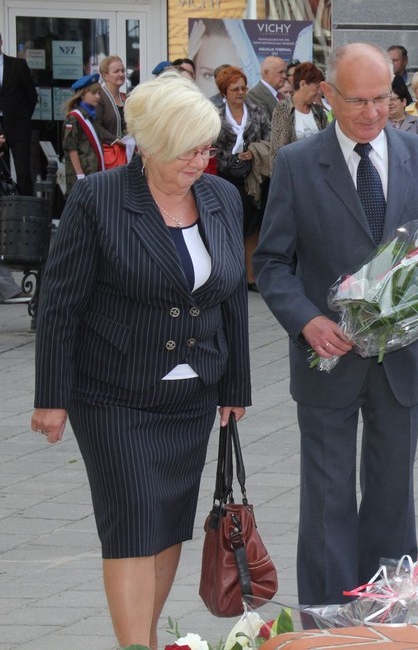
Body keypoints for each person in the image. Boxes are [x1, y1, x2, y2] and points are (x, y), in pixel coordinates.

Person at [31, 74, 250, 649]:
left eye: (206, 149)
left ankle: (145, 639)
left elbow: (231, 298)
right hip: (114, 393)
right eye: (188, 151)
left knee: (169, 522)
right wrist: (51, 397)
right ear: (151, 144)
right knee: (132, 524)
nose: (200, 162)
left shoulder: (221, 197)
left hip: (192, 394)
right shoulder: (98, 198)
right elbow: (60, 303)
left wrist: (236, 387)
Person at [252, 43, 418, 605]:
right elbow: (271, 263)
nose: (372, 112)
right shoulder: (297, 164)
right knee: (327, 499)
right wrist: (306, 321)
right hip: (327, 358)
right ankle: (326, 623)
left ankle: (386, 614)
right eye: (358, 100)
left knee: (393, 498)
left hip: (401, 360)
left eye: (382, 98)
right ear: (328, 95)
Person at [212, 66, 272, 292]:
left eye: (243, 88)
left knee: (252, 226)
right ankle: (230, 275)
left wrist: (253, 152)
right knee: (229, 225)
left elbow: (270, 139)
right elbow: (209, 145)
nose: (240, 92)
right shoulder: (215, 113)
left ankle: (250, 276)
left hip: (252, 176)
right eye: (235, 89)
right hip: (224, 176)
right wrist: (230, 159)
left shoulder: (257, 111)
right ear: (224, 92)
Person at [0, 31, 38, 195]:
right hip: (0, 126)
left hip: (18, 125)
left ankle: (25, 204)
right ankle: (4, 205)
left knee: (23, 170)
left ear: (1, 42)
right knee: (2, 170)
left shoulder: (17, 65)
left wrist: (23, 117)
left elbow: (31, 95)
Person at [270, 61, 328, 160]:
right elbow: (278, 150)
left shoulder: (318, 111)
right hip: (293, 167)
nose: (319, 92)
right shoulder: (283, 109)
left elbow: (327, 141)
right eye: (317, 87)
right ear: (303, 84)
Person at [62, 73, 105, 186]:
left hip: (93, 171)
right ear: (82, 95)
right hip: (82, 174)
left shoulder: (92, 116)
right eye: (93, 93)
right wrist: (80, 174)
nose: (98, 97)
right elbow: (71, 148)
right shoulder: (74, 118)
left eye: (99, 93)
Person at [95, 55, 129, 168]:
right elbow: (96, 126)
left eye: (123, 71)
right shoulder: (99, 97)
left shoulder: (125, 97)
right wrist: (116, 140)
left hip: (127, 153)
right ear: (105, 75)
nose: (121, 74)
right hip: (109, 155)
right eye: (116, 71)